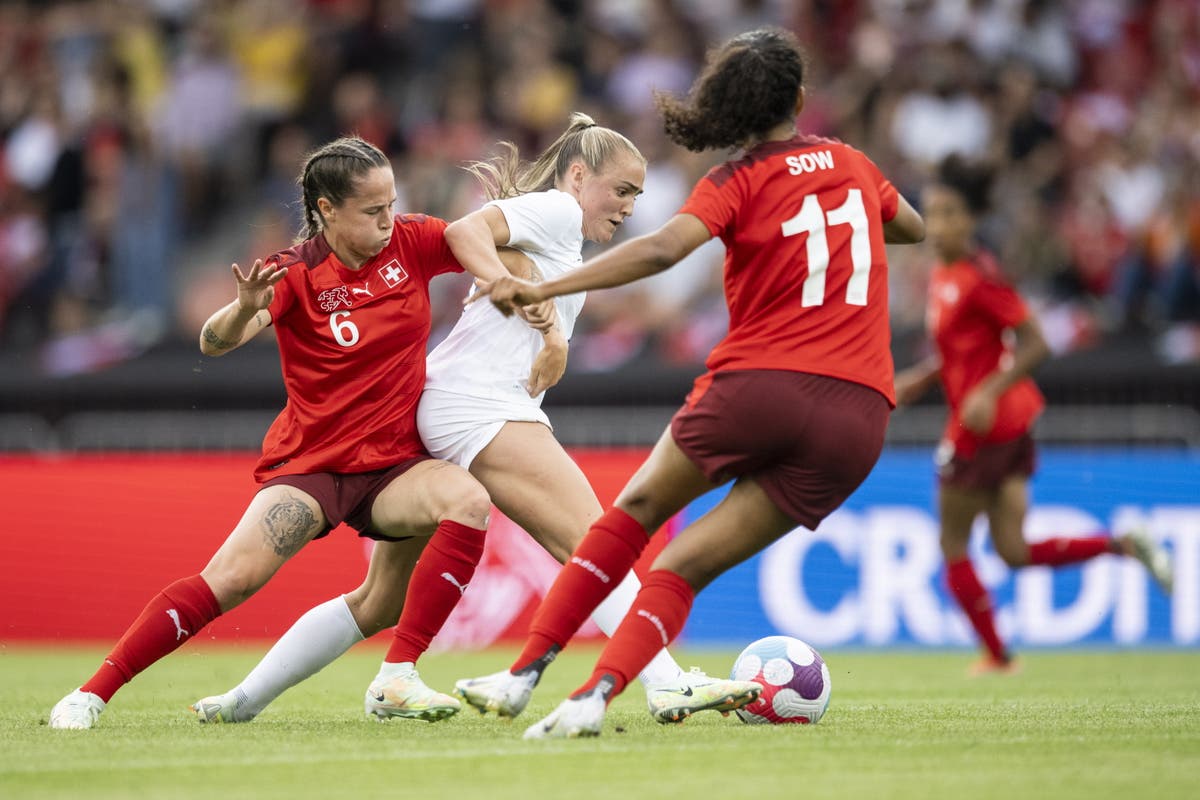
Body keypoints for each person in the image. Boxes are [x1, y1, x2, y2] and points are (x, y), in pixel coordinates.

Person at [188, 113, 743, 727]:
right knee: (595, 540)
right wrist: (518, 292)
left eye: (638, 194)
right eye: (622, 190)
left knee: (376, 603)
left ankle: (247, 699)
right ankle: (664, 682)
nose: (631, 206)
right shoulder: (558, 211)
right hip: (477, 404)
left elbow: (491, 244)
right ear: (579, 176)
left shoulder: (557, 231)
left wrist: (537, 307)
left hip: (449, 401)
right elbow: (465, 230)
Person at [454, 26, 927, 739]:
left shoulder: (734, 179)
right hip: (858, 417)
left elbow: (664, 249)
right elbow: (913, 227)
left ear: (729, 104)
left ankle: (522, 674)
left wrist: (554, 284)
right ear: (800, 98)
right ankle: (595, 699)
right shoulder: (857, 167)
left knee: (633, 514)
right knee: (682, 568)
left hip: (761, 386)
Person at [48, 136, 508, 730]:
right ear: (326, 209)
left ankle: (398, 675)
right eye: (373, 211)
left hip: (396, 465)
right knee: (232, 580)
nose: (388, 220)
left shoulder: (412, 240)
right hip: (312, 466)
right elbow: (213, 342)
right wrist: (242, 309)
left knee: (466, 504)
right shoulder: (294, 273)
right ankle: (91, 693)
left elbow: (482, 233)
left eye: (392, 204)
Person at [891, 155, 1174, 675]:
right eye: (932, 213)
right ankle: (1122, 544)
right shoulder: (944, 273)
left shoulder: (980, 276)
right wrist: (925, 377)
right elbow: (965, 349)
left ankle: (998, 658)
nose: (939, 225)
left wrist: (986, 392)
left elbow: (1038, 343)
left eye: (950, 213)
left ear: (972, 219)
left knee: (952, 543)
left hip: (982, 426)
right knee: (1013, 551)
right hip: (1008, 422)